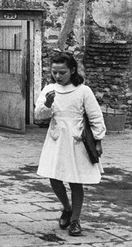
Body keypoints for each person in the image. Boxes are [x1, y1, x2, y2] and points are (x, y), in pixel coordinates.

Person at [34, 51, 106, 237]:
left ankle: (75, 219)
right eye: (54, 72)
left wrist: (98, 140)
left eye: (62, 72)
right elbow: (38, 116)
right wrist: (47, 105)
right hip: (56, 138)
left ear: (72, 70)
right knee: (54, 177)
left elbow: (95, 116)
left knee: (75, 181)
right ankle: (66, 207)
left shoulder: (83, 90)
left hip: (77, 140)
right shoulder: (49, 90)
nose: (57, 76)